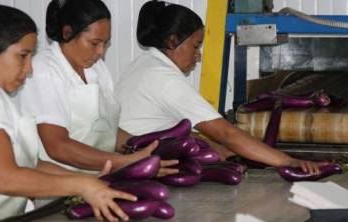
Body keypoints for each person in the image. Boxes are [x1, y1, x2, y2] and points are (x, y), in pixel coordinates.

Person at [0, 2, 136, 222]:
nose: (29, 69)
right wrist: (80, 184)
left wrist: (89, 180)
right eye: (23, 55)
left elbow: (32, 164)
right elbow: (4, 178)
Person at [115, 1, 321, 173]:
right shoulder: (165, 79)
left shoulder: (143, 65)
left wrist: (217, 148)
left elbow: (164, 129)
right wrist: (287, 161)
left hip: (128, 160)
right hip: (136, 166)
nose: (198, 55)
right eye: (195, 45)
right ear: (173, 41)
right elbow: (227, 134)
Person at [17, 0, 178, 174]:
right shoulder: (44, 70)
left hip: (97, 178)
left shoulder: (97, 69)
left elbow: (106, 129)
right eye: (94, 43)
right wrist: (124, 162)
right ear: (67, 33)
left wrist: (145, 149)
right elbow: (58, 146)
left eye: (105, 44)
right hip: (55, 187)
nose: (101, 52)